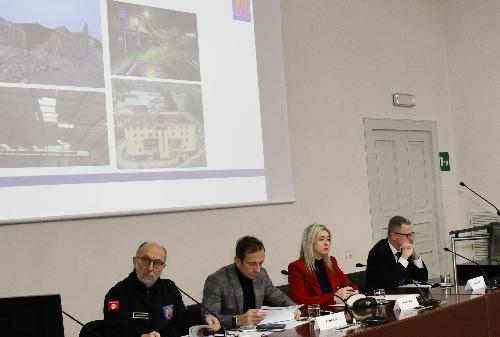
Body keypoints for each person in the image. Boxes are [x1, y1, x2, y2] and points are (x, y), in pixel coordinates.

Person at [104, 242, 220, 337]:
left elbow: (183, 322)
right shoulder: (117, 293)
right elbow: (115, 332)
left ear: (163, 267)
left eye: (157, 263)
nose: (150, 268)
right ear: (135, 261)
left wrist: (205, 321)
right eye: (145, 260)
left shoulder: (169, 288)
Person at [202, 235, 300, 329]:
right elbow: (210, 317)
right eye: (252, 264)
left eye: (260, 263)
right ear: (238, 261)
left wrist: (294, 309)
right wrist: (237, 320)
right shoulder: (217, 280)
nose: (257, 269)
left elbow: (278, 296)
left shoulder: (262, 274)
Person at [288, 223, 359, 306]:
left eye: (328, 239)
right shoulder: (297, 267)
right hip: (316, 314)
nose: (326, 243)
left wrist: (354, 290)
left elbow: (348, 284)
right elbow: (299, 300)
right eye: (321, 239)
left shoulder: (331, 261)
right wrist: (333, 297)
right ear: (310, 242)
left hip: (337, 310)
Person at [366, 215, 428, 294]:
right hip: (382, 299)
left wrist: (415, 256)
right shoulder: (377, 252)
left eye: (412, 234)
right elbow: (390, 283)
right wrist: (404, 258)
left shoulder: (404, 249)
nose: (411, 238)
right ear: (393, 236)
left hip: (403, 296)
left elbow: (423, 278)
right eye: (407, 235)